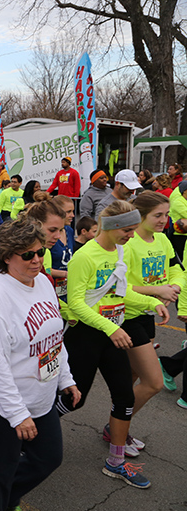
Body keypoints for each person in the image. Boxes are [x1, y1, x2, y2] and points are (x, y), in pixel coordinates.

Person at [0, 218, 80, 511]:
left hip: (39, 393)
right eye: (27, 254)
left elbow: (54, 334)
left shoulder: (41, 281)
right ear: (6, 257)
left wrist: (65, 378)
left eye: (40, 252)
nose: (37, 260)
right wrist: (16, 414)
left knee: (48, 458)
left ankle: (7, 497)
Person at [56, 200, 168, 489]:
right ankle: (29, 427)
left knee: (125, 397)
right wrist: (108, 327)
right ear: (113, 226)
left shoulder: (121, 251)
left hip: (112, 333)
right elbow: (76, 303)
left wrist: (151, 302)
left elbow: (122, 291)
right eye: (127, 230)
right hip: (86, 336)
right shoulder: (85, 256)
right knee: (72, 401)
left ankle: (116, 462)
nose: (131, 236)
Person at [114, 191, 184, 454]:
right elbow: (123, 288)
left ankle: (119, 426)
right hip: (128, 317)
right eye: (158, 215)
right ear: (140, 216)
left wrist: (172, 287)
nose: (164, 220)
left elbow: (177, 269)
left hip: (147, 316)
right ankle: (117, 428)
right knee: (153, 382)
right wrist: (157, 294)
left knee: (132, 377)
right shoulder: (128, 245)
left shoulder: (164, 240)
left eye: (166, 214)